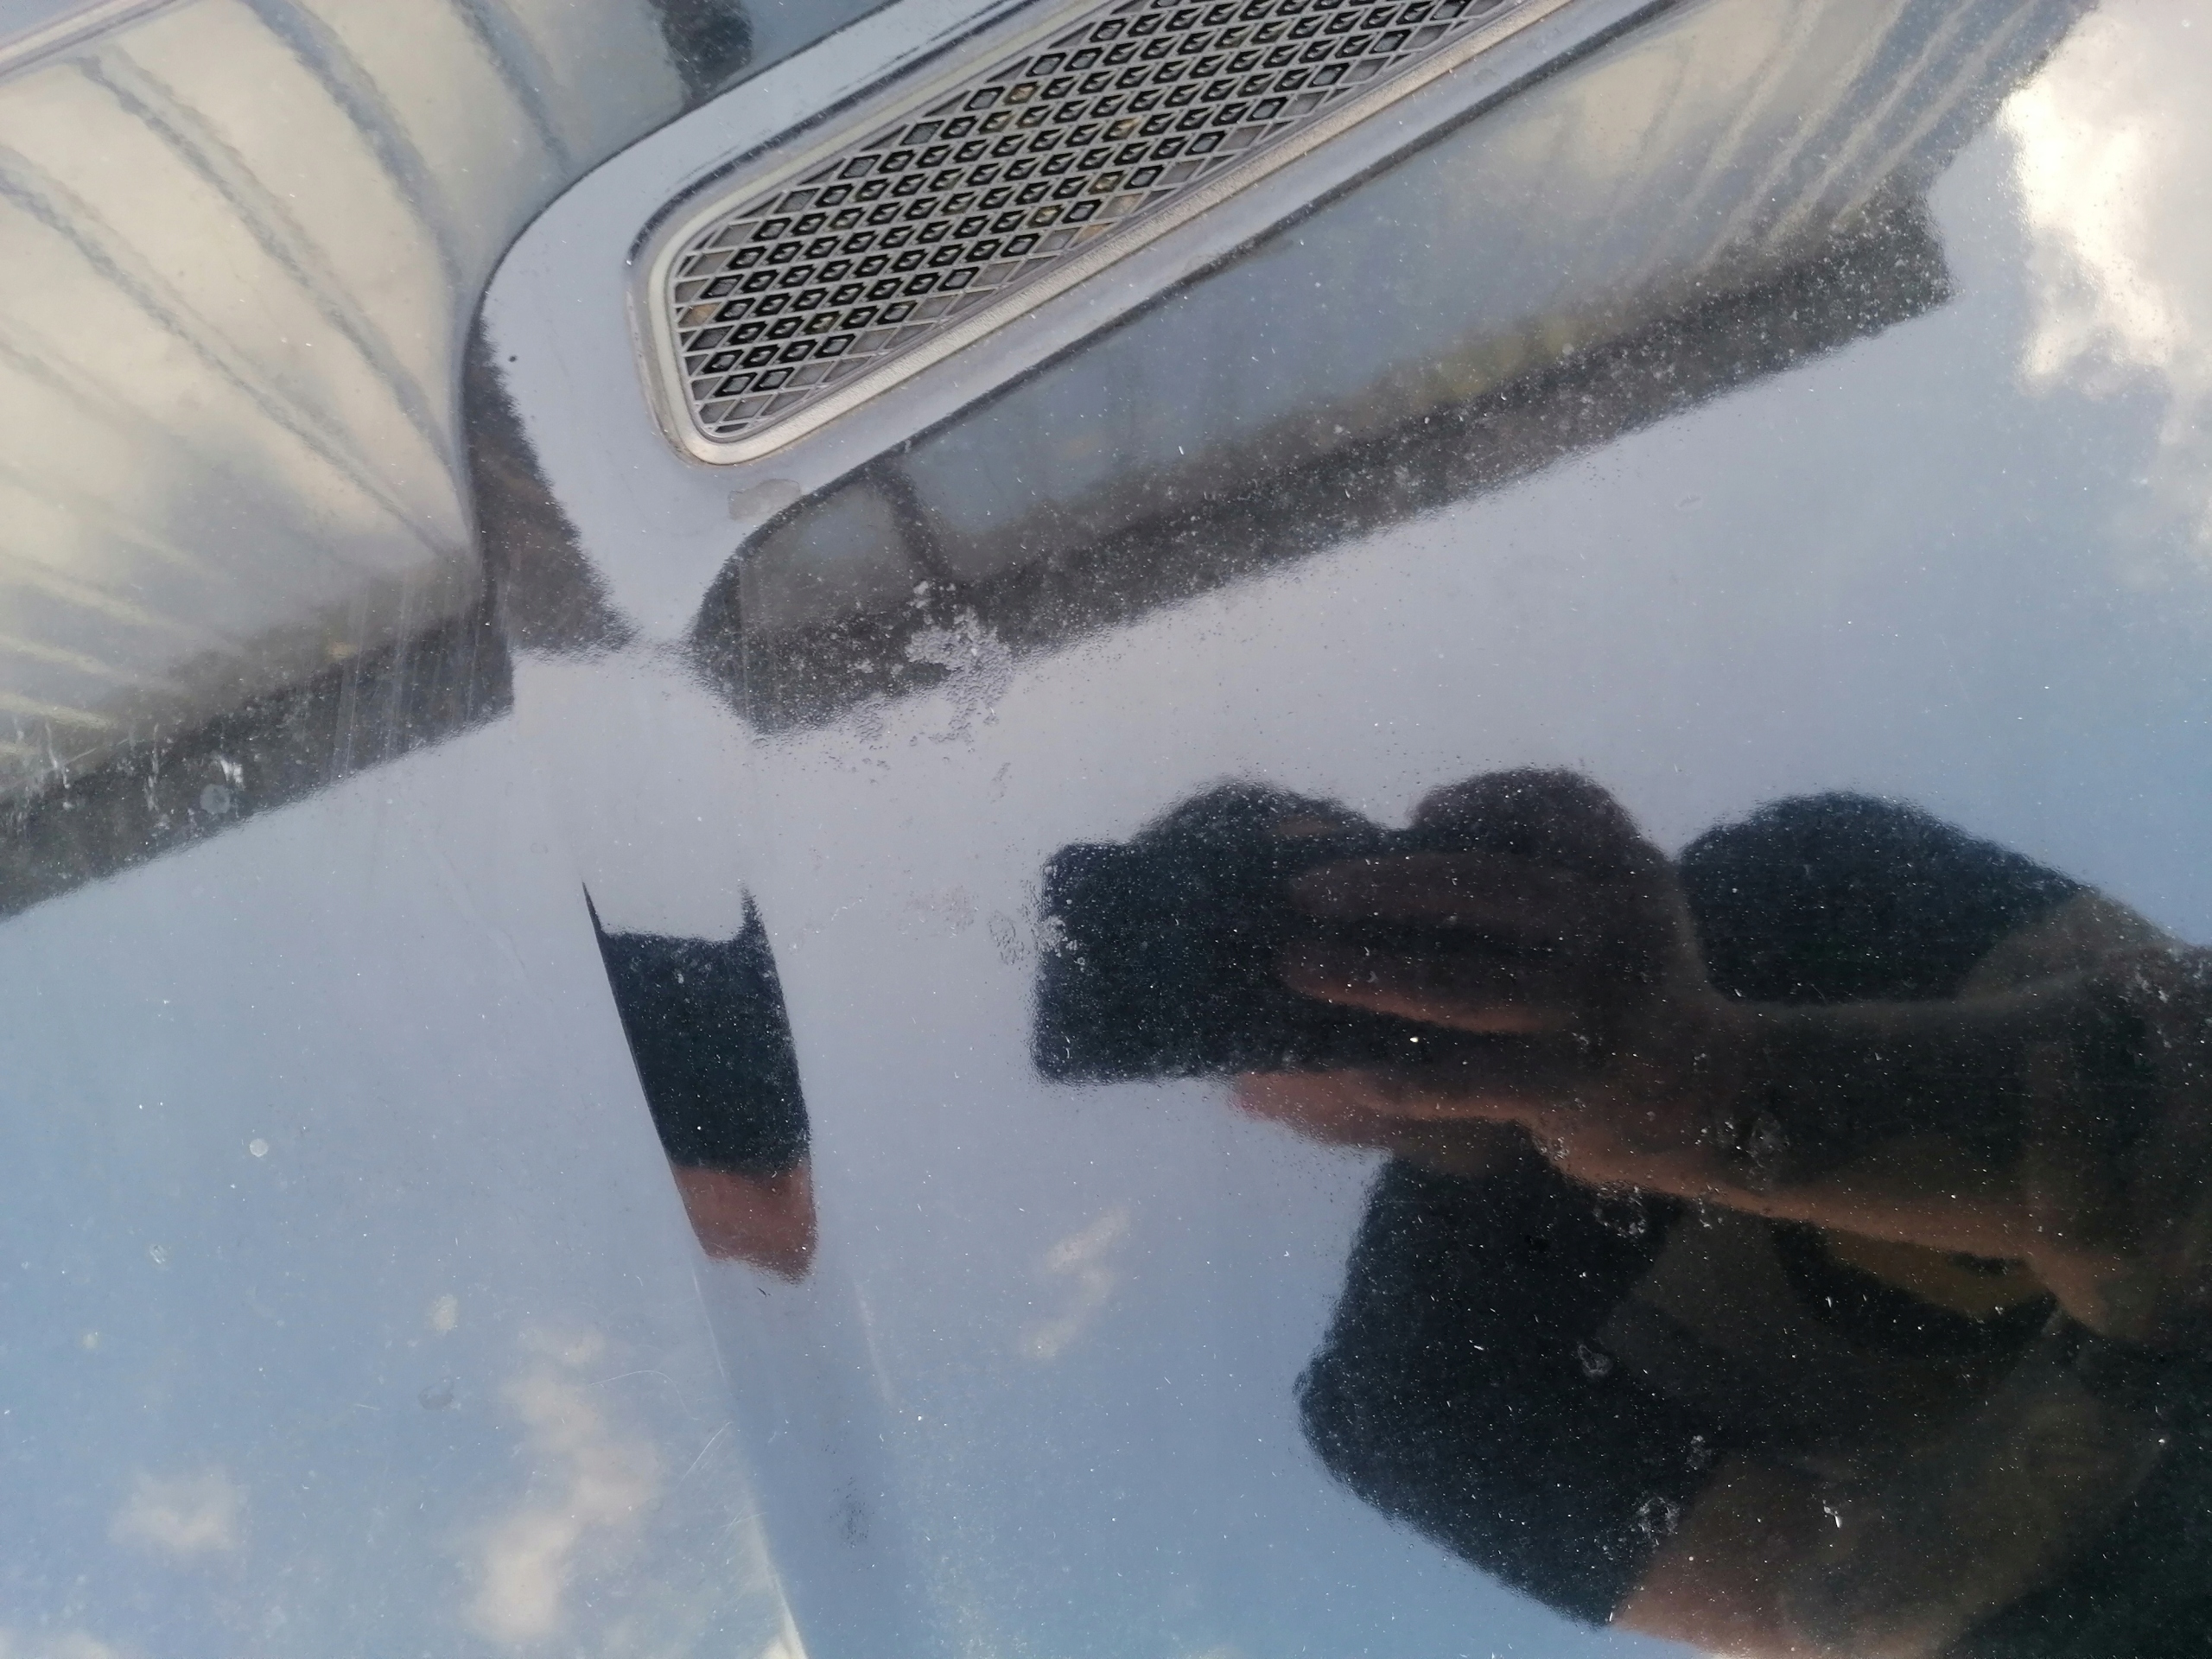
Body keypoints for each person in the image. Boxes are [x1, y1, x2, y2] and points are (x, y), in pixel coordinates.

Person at [1183, 772, 2211, 1657]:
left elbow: (2186, 1063)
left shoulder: (1802, 878)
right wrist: (2117, 1355)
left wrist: (1710, 1086)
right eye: (1244, 998)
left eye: (1356, 910)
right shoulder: (1413, 1386)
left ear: (1438, 868)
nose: (1344, 984)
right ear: (1251, 1098)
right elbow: (1837, 1618)